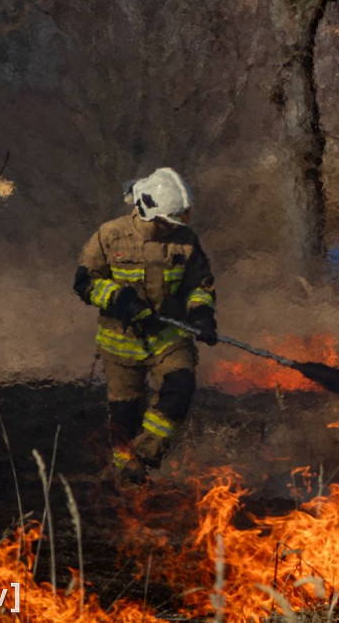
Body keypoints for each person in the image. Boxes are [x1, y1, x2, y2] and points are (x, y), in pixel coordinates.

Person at [73, 167, 217, 484]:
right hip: (120, 343)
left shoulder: (186, 242)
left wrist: (202, 315)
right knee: (125, 414)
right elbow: (85, 283)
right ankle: (124, 472)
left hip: (170, 337)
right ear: (148, 212)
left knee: (179, 388)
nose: (172, 228)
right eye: (167, 222)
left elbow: (199, 285)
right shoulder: (110, 236)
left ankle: (146, 453)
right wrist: (120, 300)